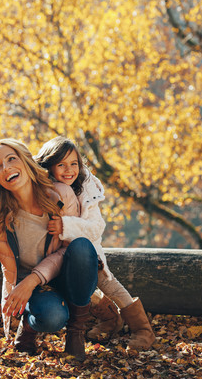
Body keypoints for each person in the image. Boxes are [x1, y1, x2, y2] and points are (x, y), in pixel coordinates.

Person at [0, 138, 99, 363]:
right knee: (52, 317)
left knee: (82, 247)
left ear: (26, 161)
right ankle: (28, 326)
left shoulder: (60, 195)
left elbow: (69, 247)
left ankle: (76, 333)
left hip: (63, 275)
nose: (6, 167)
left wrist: (34, 278)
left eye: (12, 159)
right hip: (29, 290)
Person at [35, 136, 155, 350]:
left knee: (110, 286)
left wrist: (65, 226)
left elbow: (96, 227)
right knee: (81, 292)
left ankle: (142, 329)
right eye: (61, 164)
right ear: (49, 166)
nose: (68, 170)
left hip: (87, 252)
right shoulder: (44, 190)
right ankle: (110, 319)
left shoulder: (85, 189)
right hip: (54, 256)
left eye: (73, 164)